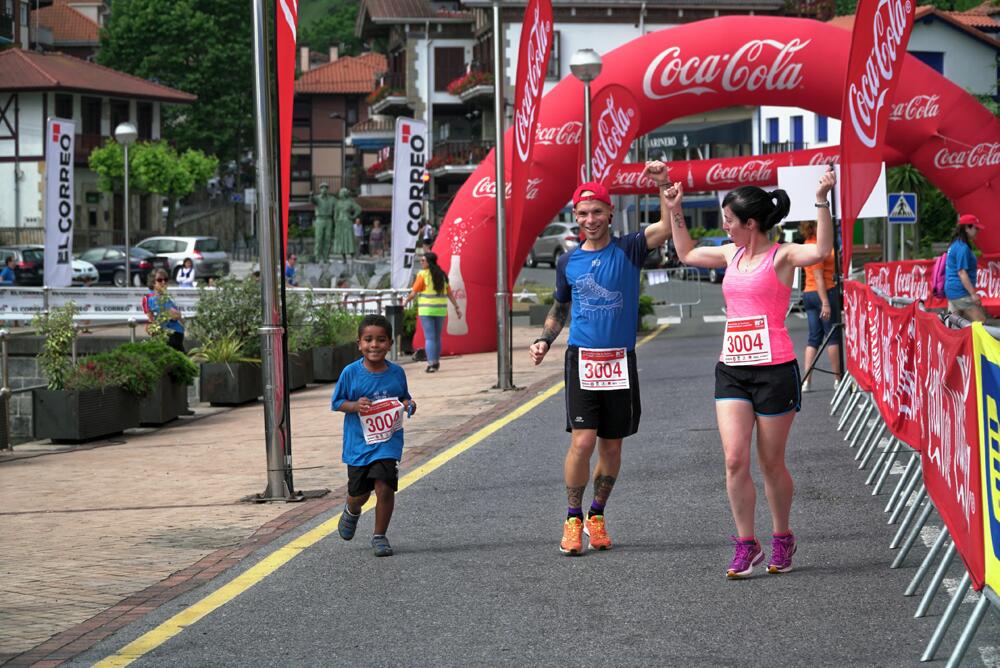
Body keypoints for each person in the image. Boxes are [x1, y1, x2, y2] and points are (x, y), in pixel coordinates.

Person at [645, 160, 836, 578]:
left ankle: (782, 536)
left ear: (751, 223)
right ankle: (746, 544)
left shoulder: (783, 256)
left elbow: (820, 251)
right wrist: (673, 207)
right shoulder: (730, 253)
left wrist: (821, 201)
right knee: (734, 459)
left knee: (771, 463)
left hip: (774, 370)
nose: (725, 227)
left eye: (730, 220)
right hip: (732, 368)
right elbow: (686, 252)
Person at [528, 178, 672, 556]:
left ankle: (597, 515)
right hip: (582, 360)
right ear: (575, 216)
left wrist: (662, 186)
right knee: (583, 441)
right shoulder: (567, 261)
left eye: (597, 212)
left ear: (610, 212)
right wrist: (545, 339)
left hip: (620, 361)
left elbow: (666, 227)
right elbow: (560, 306)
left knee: (611, 447)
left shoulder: (629, 249)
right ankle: (573, 519)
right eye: (583, 213)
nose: (590, 219)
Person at [332, 314, 415, 557]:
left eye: (380, 340)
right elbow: (337, 402)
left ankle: (379, 536)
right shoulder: (350, 373)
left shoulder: (397, 373)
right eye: (368, 340)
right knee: (360, 495)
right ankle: (351, 509)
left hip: (388, 442)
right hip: (358, 445)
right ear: (359, 343)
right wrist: (355, 406)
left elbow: (403, 397)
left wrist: (409, 404)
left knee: (385, 488)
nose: (374, 345)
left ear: (390, 343)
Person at [799, 219, 842, 392]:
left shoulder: (806, 245)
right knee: (832, 336)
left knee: (813, 337)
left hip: (808, 293)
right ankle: (838, 379)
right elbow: (818, 276)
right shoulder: (816, 246)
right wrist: (825, 302)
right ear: (814, 226)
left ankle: (806, 381)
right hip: (823, 292)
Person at [403, 252, 461, 373]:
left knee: (429, 338)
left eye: (423, 260)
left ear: (429, 262)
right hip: (440, 310)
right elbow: (449, 293)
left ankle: (431, 363)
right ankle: (436, 362)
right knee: (436, 337)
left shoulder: (422, 275)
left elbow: (413, 293)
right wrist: (456, 307)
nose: (421, 262)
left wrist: (404, 303)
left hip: (427, 310)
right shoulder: (442, 275)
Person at [945, 213, 987, 322]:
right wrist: (973, 294)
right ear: (967, 228)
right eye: (976, 228)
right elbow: (962, 272)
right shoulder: (962, 248)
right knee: (982, 324)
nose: (978, 231)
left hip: (952, 291)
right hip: (961, 293)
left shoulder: (955, 244)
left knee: (954, 328)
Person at [143, 268, 185, 351]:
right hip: (165, 334)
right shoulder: (149, 298)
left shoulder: (167, 297)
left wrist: (178, 316)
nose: (163, 282)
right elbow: (151, 319)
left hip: (177, 333)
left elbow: (180, 318)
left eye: (165, 280)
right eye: (160, 280)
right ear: (153, 282)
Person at [333, 188, 362, 261]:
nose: (339, 194)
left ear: (344, 194)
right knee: (341, 240)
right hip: (340, 223)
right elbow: (335, 214)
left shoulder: (350, 201)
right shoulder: (338, 202)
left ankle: (352, 256)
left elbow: (358, 209)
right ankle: (344, 257)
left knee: (349, 239)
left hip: (347, 222)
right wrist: (336, 222)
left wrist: (353, 216)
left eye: (341, 192)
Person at [310, 183, 336, 263]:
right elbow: (312, 200)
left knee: (328, 239)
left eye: (325, 188)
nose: (324, 189)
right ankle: (317, 257)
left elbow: (338, 207)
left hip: (329, 220)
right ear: (320, 189)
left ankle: (326, 257)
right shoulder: (317, 198)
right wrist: (311, 195)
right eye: (322, 188)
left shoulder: (332, 199)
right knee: (319, 239)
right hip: (319, 219)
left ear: (328, 189)